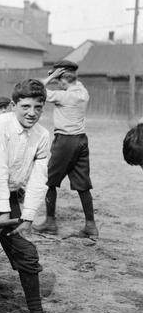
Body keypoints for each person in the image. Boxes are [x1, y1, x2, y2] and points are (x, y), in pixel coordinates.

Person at [0, 79, 61, 313]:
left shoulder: (42, 135)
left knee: (27, 254)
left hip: (9, 198)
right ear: (14, 105)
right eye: (25, 106)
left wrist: (28, 216)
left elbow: (40, 178)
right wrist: (3, 212)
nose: (31, 112)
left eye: (38, 107)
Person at [33, 60, 98, 242]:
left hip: (65, 141)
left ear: (62, 79)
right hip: (81, 140)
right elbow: (72, 81)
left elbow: (33, 89)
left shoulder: (64, 96)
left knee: (49, 181)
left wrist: (52, 77)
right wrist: (60, 75)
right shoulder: (82, 91)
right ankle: (90, 226)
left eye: (58, 80)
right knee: (83, 184)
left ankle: (50, 222)